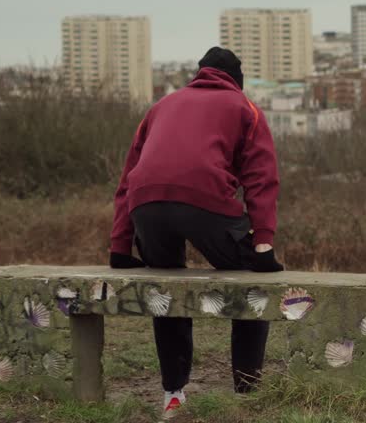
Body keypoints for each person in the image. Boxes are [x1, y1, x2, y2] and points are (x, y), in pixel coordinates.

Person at [109, 47, 283, 419]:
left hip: (146, 205)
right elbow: (261, 180)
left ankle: (174, 395)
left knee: (166, 286)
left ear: (199, 73)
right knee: (252, 282)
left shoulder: (160, 107)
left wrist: (120, 246)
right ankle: (245, 394)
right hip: (207, 201)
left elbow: (128, 180)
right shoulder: (244, 108)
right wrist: (263, 245)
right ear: (237, 80)